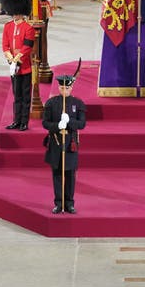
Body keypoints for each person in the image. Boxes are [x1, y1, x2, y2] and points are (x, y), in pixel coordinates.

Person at [42, 73, 87, 214]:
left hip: (70, 144)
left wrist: (69, 122)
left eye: (66, 88)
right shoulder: (51, 103)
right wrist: (57, 125)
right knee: (57, 173)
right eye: (61, 87)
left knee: (70, 175)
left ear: (71, 88)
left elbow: (82, 124)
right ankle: (58, 203)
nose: (64, 90)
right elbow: (45, 123)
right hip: (56, 141)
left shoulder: (78, 104)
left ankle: (69, 203)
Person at [1, 0, 35, 131]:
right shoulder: (7, 26)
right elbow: (5, 45)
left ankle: (24, 122)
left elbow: (27, 47)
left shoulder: (29, 28)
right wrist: (10, 60)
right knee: (17, 96)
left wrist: (17, 60)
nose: (15, 15)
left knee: (26, 96)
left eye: (17, 12)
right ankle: (16, 120)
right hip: (14, 68)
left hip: (25, 67)